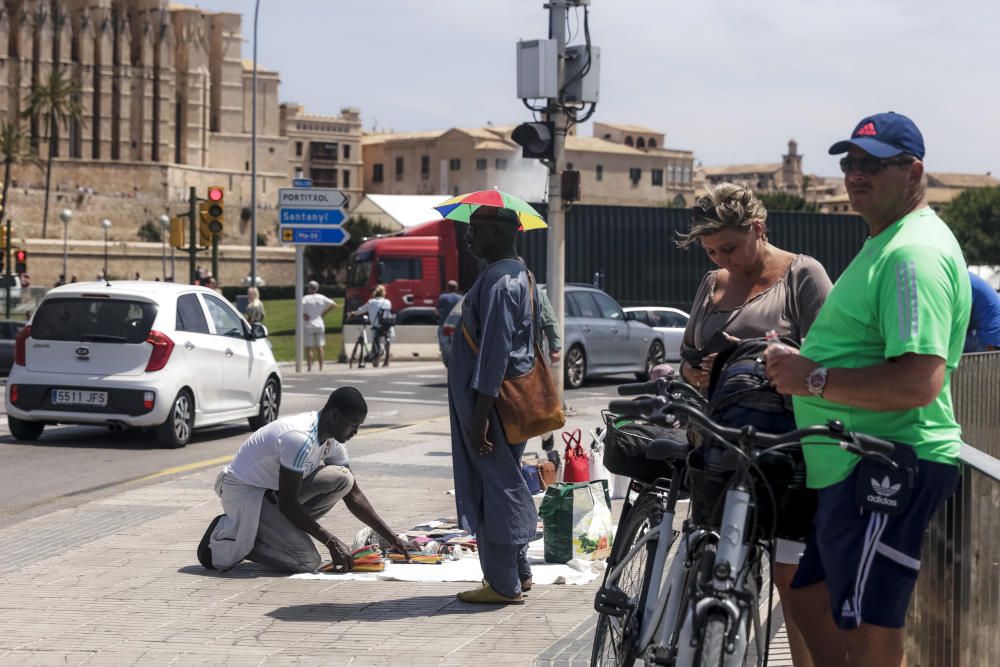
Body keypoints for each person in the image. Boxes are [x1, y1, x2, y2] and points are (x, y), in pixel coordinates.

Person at [766, 112, 970, 667]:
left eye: (873, 164)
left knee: (869, 626)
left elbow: (917, 381)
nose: (855, 174)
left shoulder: (912, 256)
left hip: (886, 464)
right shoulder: (889, 241)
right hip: (853, 466)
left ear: (913, 171)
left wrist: (809, 377)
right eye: (849, 162)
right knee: (808, 597)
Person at [677, 182, 833, 667]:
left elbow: (828, 360)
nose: (722, 259)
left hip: (785, 453)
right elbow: (685, 359)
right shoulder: (712, 284)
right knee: (711, 569)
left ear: (758, 230)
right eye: (710, 251)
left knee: (793, 583)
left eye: (729, 247)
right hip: (719, 447)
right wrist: (697, 371)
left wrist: (779, 366)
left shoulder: (802, 274)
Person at [198, 387, 409, 573]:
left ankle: (277, 532)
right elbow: (288, 503)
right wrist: (330, 540)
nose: (355, 432)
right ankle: (231, 538)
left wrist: (392, 538)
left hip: (273, 495)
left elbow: (353, 494)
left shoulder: (331, 441)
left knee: (343, 479)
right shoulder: (299, 438)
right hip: (245, 493)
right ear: (334, 414)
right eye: (352, 424)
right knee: (307, 560)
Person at [448, 205, 538, 605]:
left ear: (501, 233)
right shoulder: (518, 273)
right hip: (499, 400)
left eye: (477, 230)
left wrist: (480, 417)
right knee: (506, 479)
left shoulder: (502, 282)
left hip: (492, 403)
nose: (469, 237)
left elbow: (495, 353)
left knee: (495, 488)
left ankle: (502, 584)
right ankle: (519, 572)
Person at [349, 285, 394, 363]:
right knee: (386, 339)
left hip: (376, 326)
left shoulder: (371, 302)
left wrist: (353, 313)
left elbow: (361, 310)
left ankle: (375, 357)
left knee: (375, 338)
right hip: (387, 325)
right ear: (384, 293)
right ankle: (387, 358)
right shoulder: (388, 302)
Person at [302, 280, 337, 372]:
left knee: (309, 348)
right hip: (319, 323)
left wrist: (303, 314)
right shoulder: (321, 297)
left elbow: (299, 306)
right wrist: (323, 313)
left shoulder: (305, 298)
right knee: (319, 347)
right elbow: (334, 305)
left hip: (309, 324)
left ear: (309, 288)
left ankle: (309, 367)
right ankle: (321, 367)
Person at [964, 271, 1000, 352]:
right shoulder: (969, 278)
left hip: (988, 341)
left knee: (944, 338)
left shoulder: (963, 281)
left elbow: (962, 317)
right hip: (993, 338)